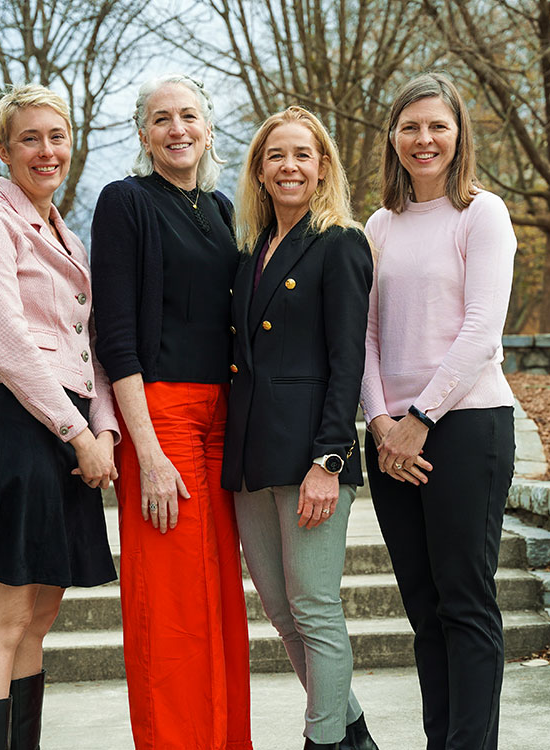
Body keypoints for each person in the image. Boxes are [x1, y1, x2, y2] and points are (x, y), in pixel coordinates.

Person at [0, 83, 120, 750]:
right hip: (15, 430)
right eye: (30, 139)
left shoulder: (67, 236)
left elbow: (90, 347)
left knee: (38, 621)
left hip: (67, 434)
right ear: (4, 150)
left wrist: (104, 430)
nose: (46, 151)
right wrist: (77, 432)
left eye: (57, 137)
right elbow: (8, 343)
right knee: (1, 621)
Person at [89, 74, 252, 750]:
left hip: (224, 419)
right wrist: (147, 450)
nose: (177, 128)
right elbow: (115, 333)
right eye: (161, 118)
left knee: (221, 597)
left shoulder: (222, 208)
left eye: (188, 116)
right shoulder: (125, 201)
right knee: (171, 604)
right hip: (160, 415)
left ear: (208, 130)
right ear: (142, 133)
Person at [360, 73, 518, 750]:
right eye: (410, 127)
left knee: (465, 602)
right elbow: (365, 335)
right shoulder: (379, 226)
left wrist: (419, 418)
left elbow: (481, 330)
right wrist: (380, 423)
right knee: (424, 611)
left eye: (437, 126)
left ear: (459, 135)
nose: (424, 139)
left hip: (466, 428)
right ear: (393, 138)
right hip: (391, 438)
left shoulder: (482, 214)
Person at [222, 107, 380, 750]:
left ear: (322, 168)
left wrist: (329, 461)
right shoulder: (251, 250)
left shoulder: (341, 242)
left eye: (302, 155)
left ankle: (322, 741)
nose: (289, 166)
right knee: (284, 615)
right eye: (276, 156)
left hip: (313, 459)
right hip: (252, 458)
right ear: (260, 171)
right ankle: (352, 734)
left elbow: (349, 363)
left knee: (315, 609)